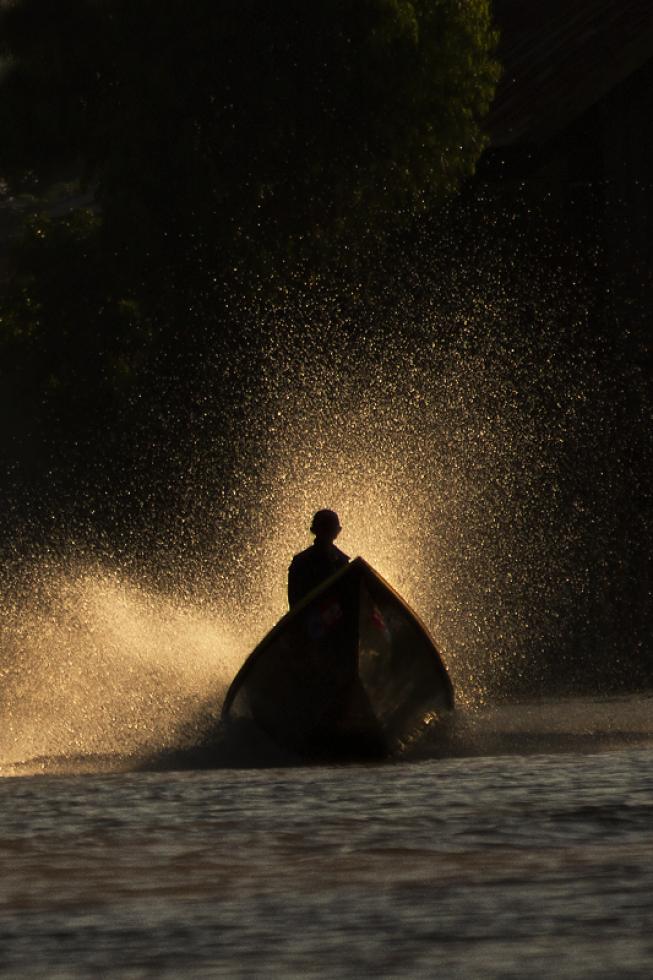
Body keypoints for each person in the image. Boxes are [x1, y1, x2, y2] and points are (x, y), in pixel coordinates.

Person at [288, 509, 349, 607]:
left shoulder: (342, 561)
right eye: (325, 527)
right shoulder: (301, 562)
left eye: (330, 527)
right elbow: (295, 601)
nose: (327, 531)